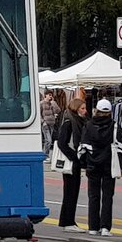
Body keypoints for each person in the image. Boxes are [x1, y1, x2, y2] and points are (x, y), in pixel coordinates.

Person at [82, 98, 121, 236]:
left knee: (93, 196)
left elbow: (83, 146)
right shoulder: (114, 126)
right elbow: (120, 146)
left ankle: (93, 227)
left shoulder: (89, 125)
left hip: (92, 164)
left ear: (96, 111)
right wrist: (120, 166)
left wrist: (85, 163)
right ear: (110, 112)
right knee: (107, 196)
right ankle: (105, 227)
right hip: (109, 164)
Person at [55, 97, 88, 232]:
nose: (85, 111)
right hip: (71, 162)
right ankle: (67, 222)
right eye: (82, 108)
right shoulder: (69, 122)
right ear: (76, 108)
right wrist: (74, 157)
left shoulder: (78, 121)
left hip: (75, 161)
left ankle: (68, 221)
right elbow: (61, 143)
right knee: (70, 192)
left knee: (73, 192)